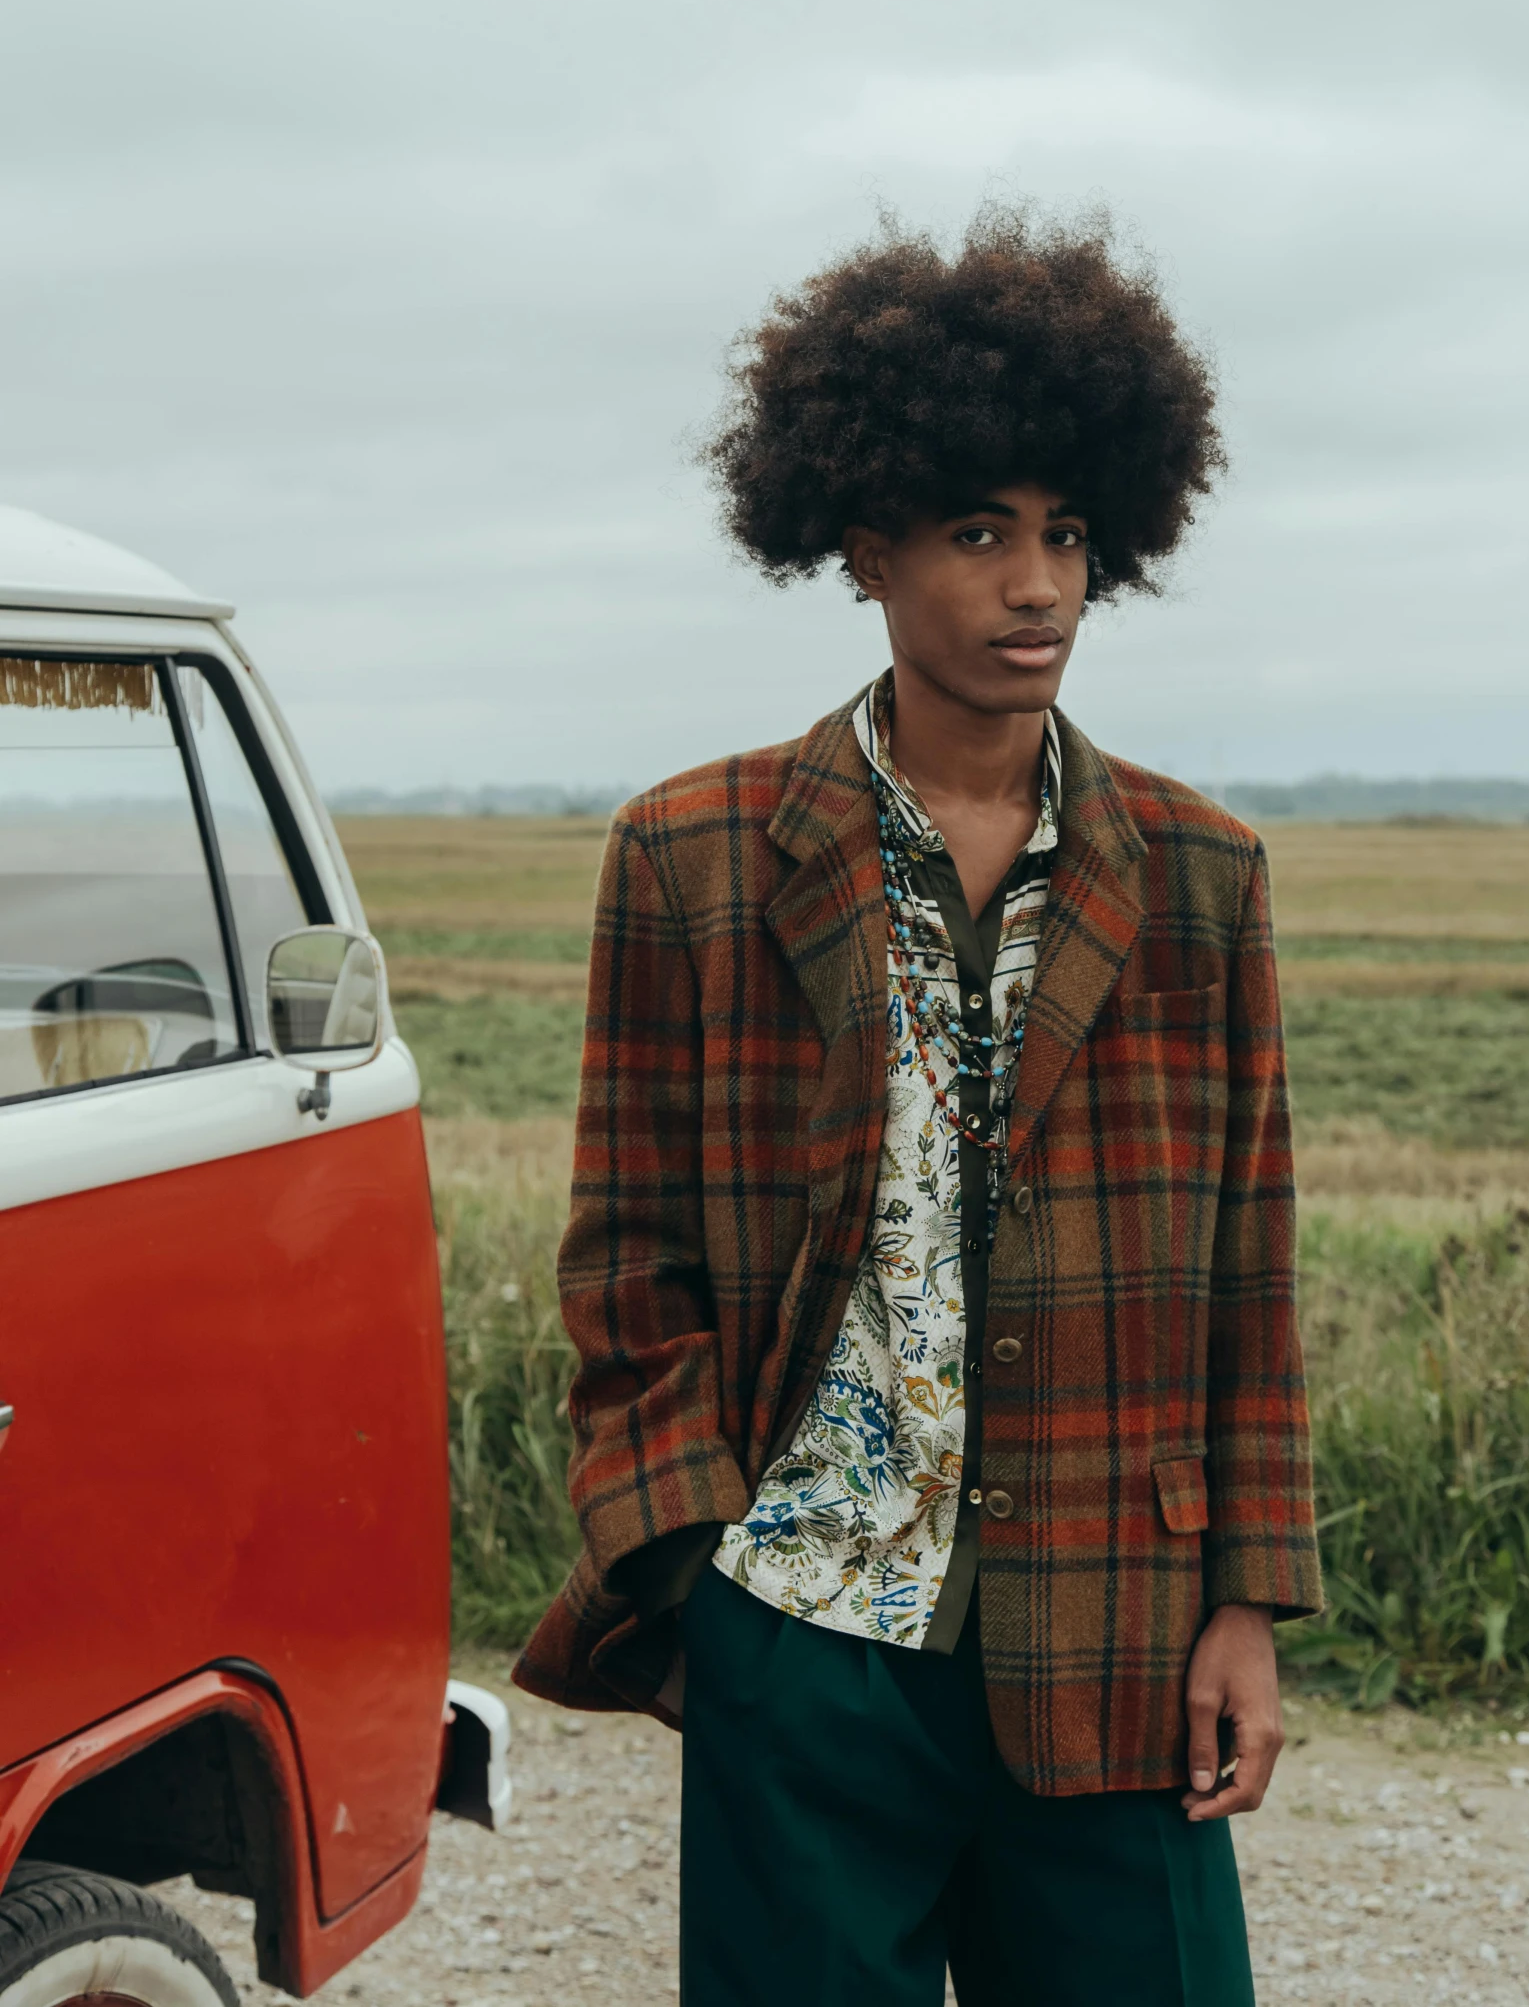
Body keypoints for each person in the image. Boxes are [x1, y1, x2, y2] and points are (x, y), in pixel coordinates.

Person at [515, 208, 1322, 2006]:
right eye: (978, 534)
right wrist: (691, 1567)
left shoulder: (1200, 871)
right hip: (805, 1628)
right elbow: (624, 1252)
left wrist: (1247, 1599)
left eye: (1065, 535)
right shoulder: (693, 852)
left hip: (1121, 1623)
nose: (1035, 584)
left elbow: (1245, 1273)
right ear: (863, 545)